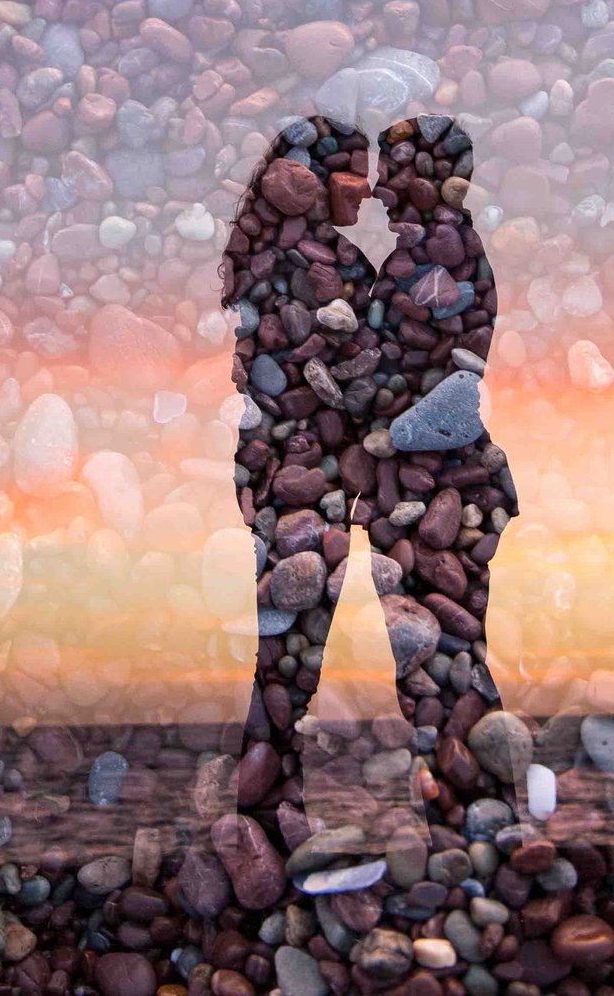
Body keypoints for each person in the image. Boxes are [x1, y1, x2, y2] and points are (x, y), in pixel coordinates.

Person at [219, 112, 518, 848]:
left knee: (382, 646)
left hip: (385, 485)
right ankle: (451, 804)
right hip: (344, 483)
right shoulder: (349, 264)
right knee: (397, 646)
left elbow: (403, 382)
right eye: (358, 169)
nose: (374, 185)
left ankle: (431, 796)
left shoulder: (422, 260)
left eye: (384, 168)